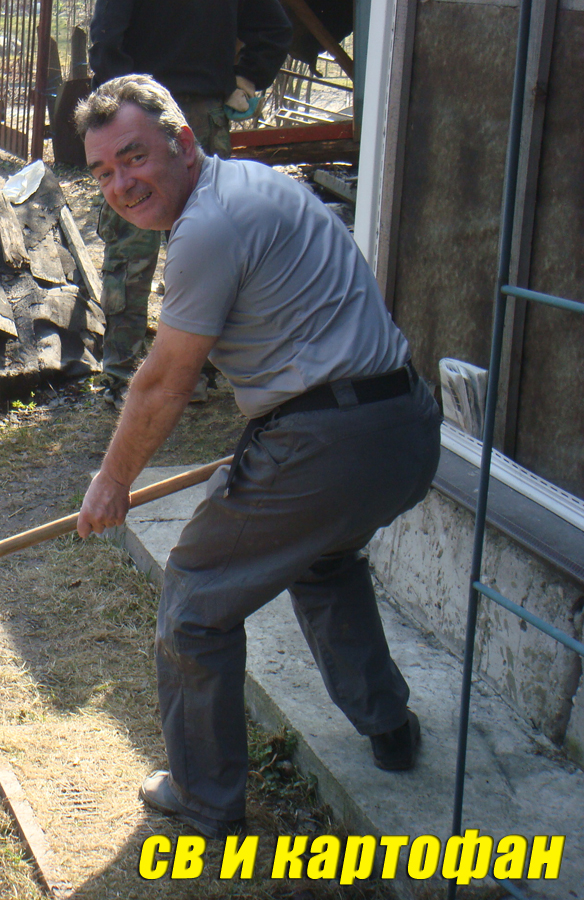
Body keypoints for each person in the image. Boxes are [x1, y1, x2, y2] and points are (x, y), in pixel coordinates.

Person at [73, 75, 442, 837]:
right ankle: (389, 726)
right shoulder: (254, 182)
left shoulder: (207, 227)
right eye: (103, 172)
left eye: (134, 158)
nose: (121, 184)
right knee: (323, 559)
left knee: (196, 600)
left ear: (182, 142)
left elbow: (164, 382)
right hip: (403, 427)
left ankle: (204, 798)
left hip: (330, 442)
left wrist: (112, 480)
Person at [88, 0, 292, 406]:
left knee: (131, 247)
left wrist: (116, 105)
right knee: (210, 243)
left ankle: (123, 376)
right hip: (200, 113)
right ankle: (201, 372)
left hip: (139, 118)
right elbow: (274, 29)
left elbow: (106, 39)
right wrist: (247, 79)